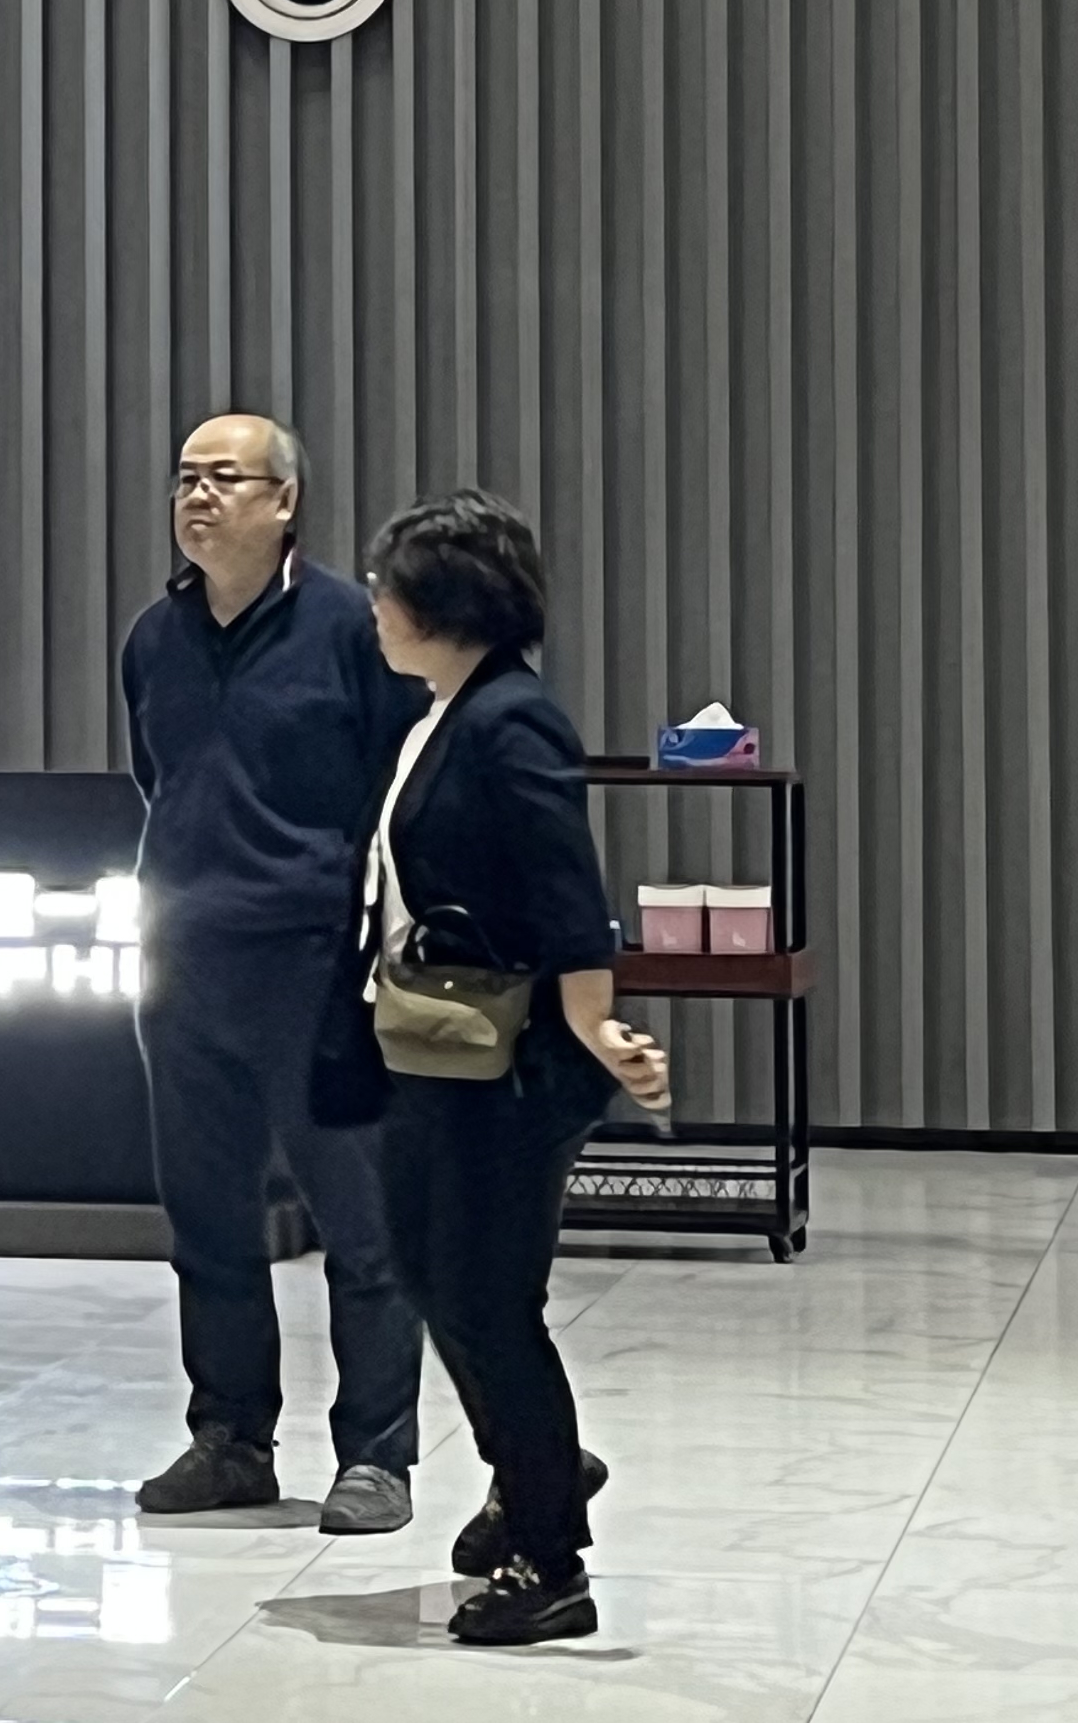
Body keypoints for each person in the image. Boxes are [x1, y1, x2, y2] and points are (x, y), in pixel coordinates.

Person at [342, 489, 672, 1647]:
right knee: (429, 1271)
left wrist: (596, 1023)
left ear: (441, 604)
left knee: (489, 1299)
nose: (373, 606)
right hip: (435, 1053)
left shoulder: (511, 719)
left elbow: (565, 886)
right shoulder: (441, 712)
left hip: (513, 1062)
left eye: (387, 589)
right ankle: (538, 1463)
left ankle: (550, 1558)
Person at [125, 414, 428, 1530]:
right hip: (183, 961)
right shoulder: (154, 637)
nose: (198, 497)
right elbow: (157, 779)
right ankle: (230, 1437)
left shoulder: (351, 628)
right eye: (185, 478)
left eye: (225, 478)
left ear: (286, 500)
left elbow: (404, 780)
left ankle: (378, 1456)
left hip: (316, 961)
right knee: (206, 1219)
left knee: (361, 1220)